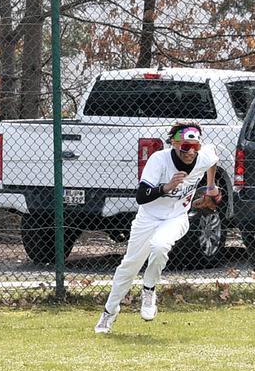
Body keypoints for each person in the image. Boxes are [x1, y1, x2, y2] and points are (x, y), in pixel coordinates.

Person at [94, 121, 220, 334]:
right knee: (129, 267)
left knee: (160, 245)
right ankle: (108, 313)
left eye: (195, 147)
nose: (191, 152)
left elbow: (212, 158)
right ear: (174, 144)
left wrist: (210, 187)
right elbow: (141, 197)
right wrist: (167, 187)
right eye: (185, 147)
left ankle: (149, 290)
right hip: (148, 218)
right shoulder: (159, 160)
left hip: (177, 217)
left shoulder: (202, 156)